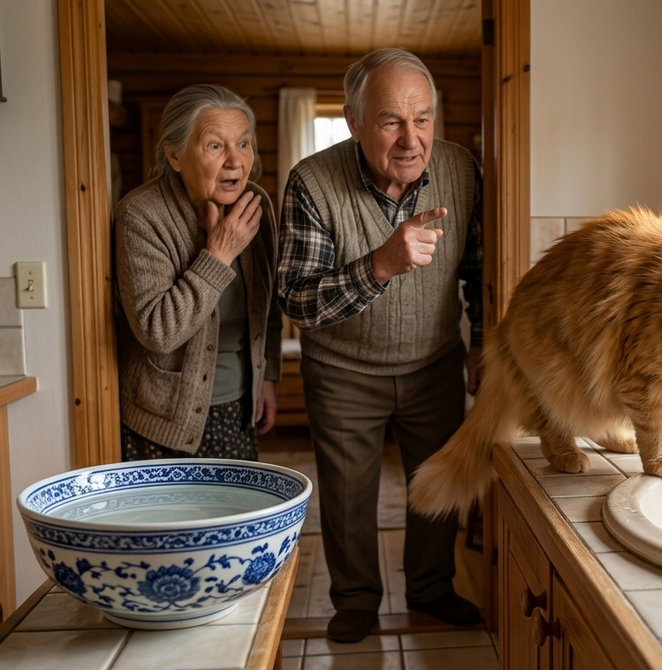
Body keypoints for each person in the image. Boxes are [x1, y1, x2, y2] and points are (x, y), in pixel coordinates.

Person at [277, 48, 484, 643]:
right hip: (342, 369)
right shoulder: (311, 183)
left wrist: (485, 344)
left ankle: (431, 588)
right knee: (347, 497)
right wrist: (380, 266)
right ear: (353, 122)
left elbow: (479, 270)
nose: (410, 138)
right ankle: (357, 601)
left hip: (434, 361)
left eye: (423, 118)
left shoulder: (463, 170)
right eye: (391, 120)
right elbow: (296, 299)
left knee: (438, 482)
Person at [115, 84, 281, 462]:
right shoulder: (141, 215)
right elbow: (157, 332)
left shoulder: (255, 204)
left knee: (236, 520)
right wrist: (218, 254)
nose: (236, 162)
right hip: (163, 419)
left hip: (239, 408)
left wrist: (267, 377)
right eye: (215, 145)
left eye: (243, 143)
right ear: (174, 155)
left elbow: (267, 306)